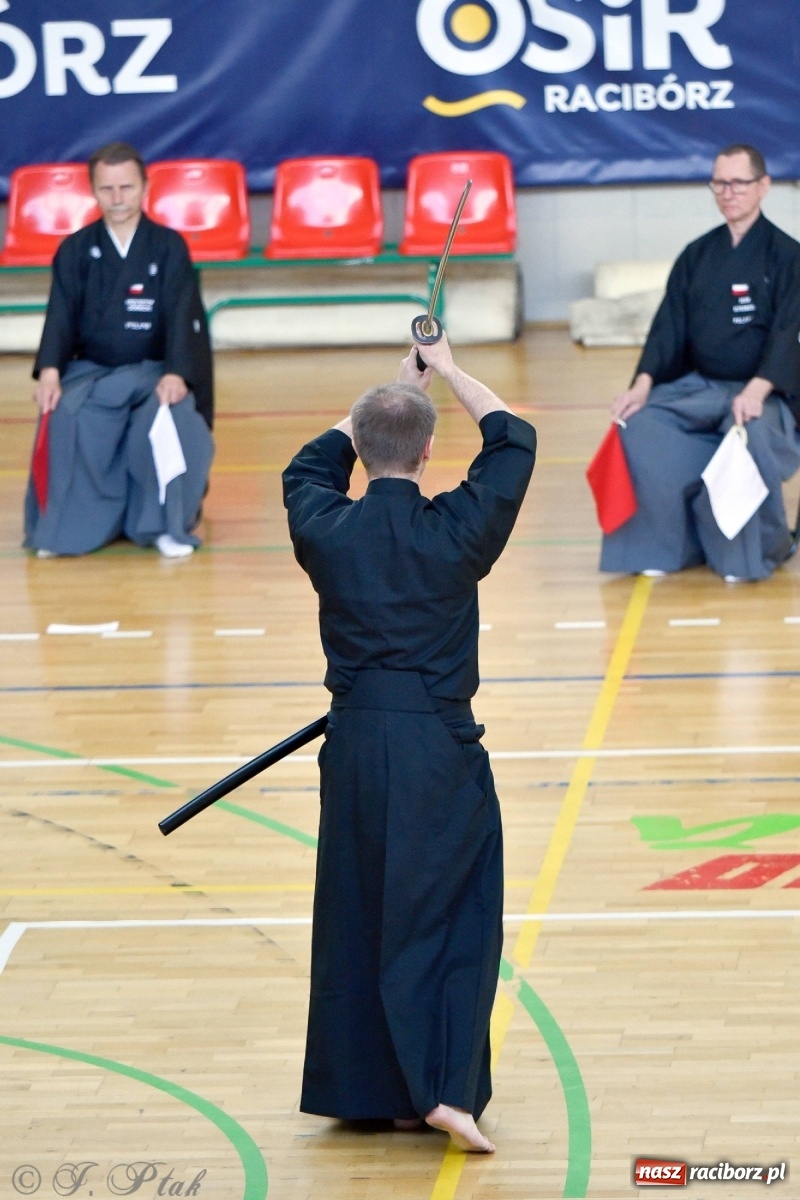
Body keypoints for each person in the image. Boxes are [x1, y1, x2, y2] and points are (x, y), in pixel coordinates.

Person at [282, 334, 536, 1153]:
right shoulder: (455, 531)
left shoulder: (326, 525)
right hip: (436, 747)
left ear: (362, 450)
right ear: (429, 453)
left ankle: (374, 1091)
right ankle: (443, 1091)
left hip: (355, 747)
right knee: (454, 914)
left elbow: (308, 466)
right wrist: (449, 371)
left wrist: (390, 396)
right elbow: (512, 440)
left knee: (358, 912)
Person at [601, 144, 800, 582]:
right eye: (719, 183)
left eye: (739, 183)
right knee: (640, 424)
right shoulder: (697, 255)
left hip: (764, 396)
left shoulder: (788, 256)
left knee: (746, 434)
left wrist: (757, 388)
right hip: (703, 387)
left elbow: (790, 331)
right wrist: (642, 385)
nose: (728, 193)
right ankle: (664, 546)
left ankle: (748, 556)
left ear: (763, 186)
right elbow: (667, 327)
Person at [24, 141, 214, 559]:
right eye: (106, 189)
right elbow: (59, 314)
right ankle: (68, 531)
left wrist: (176, 373)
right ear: (93, 190)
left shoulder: (168, 246)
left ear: (145, 187)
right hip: (93, 372)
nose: (117, 198)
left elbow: (183, 314)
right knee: (65, 414)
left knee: (170, 418)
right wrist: (50, 372)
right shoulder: (75, 249)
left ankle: (164, 527)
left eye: (126, 187)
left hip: (155, 371)